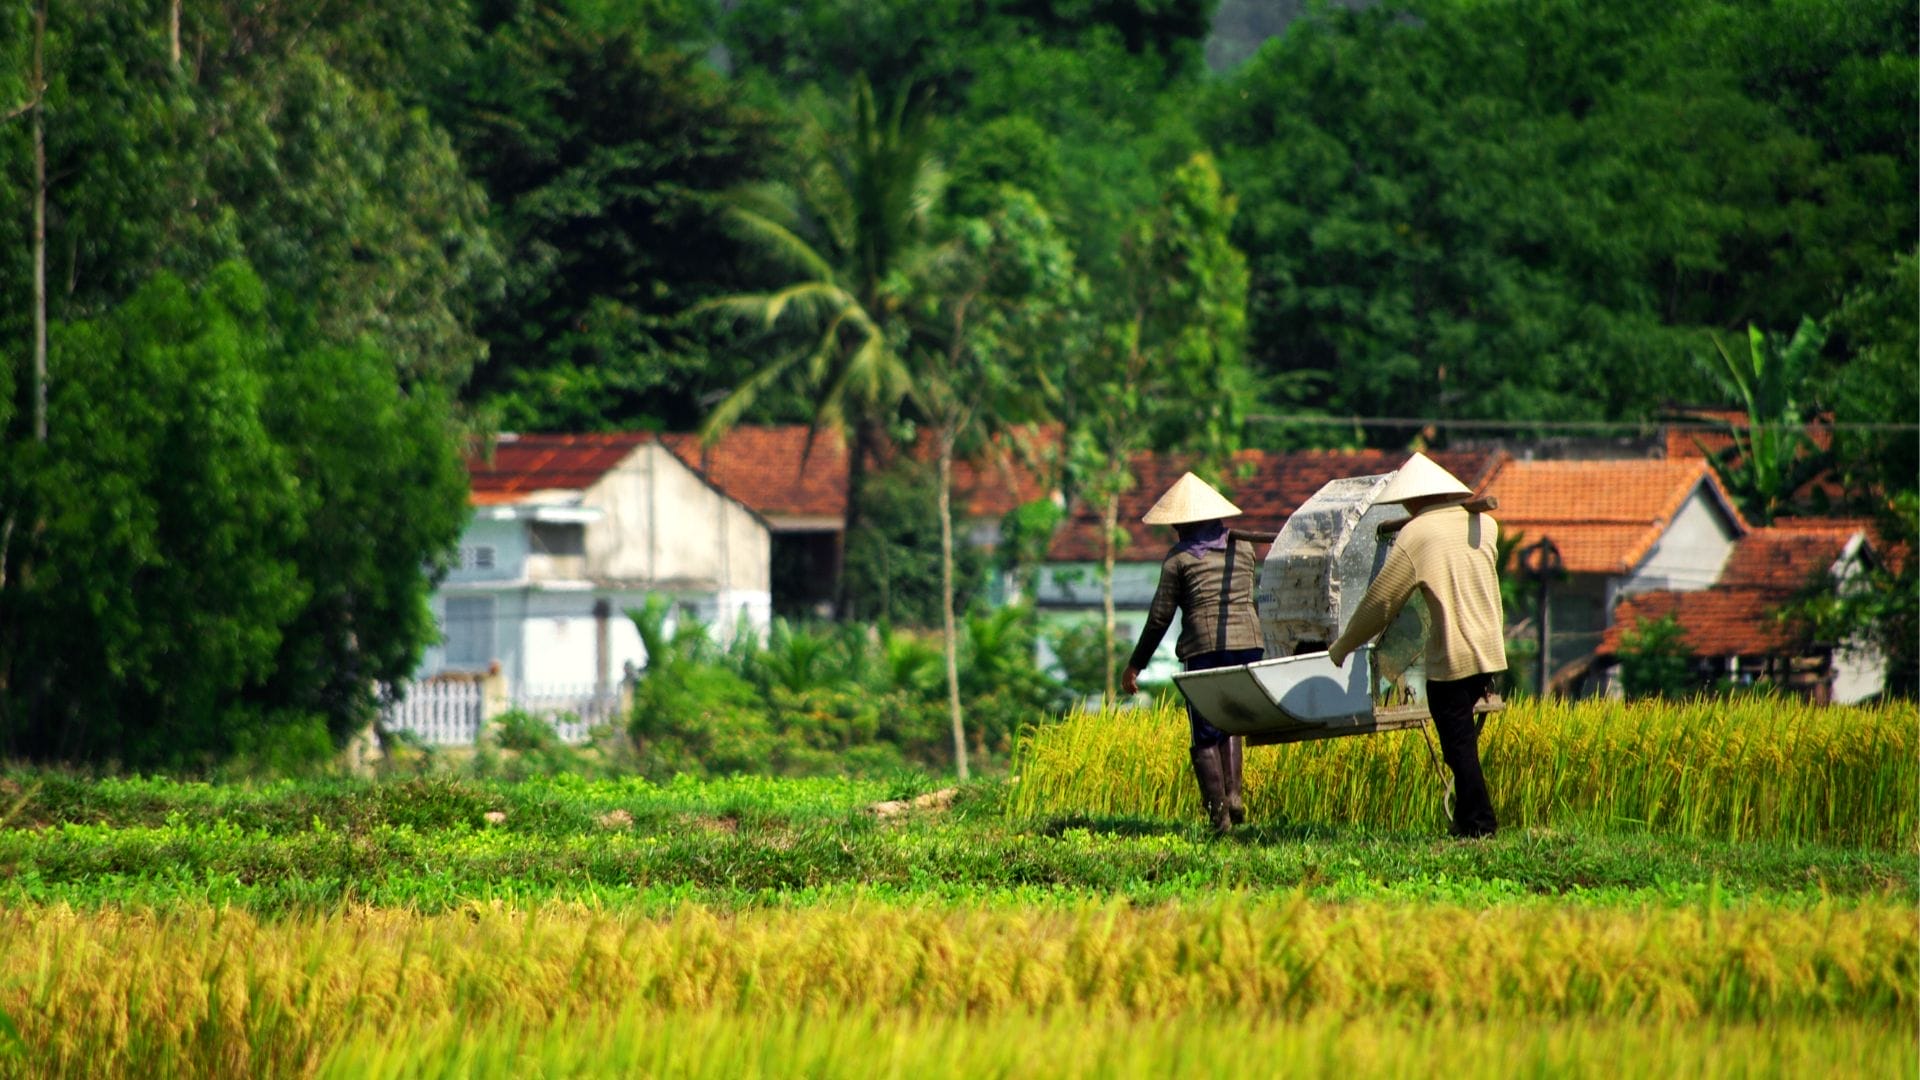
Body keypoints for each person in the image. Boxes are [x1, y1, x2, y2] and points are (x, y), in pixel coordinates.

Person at [1327, 452, 1507, 838]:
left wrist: (1344, 645)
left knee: (1458, 744)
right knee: (1460, 741)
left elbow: (1383, 601)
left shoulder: (1417, 534)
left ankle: (1480, 825)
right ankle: (1466, 822)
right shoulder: (1484, 525)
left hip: (1455, 653)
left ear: (1415, 500)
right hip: (1488, 649)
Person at [1119, 472, 1268, 833]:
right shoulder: (1244, 549)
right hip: (1249, 644)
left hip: (1205, 649)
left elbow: (1159, 617)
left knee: (1204, 735)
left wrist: (1135, 665)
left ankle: (1219, 819)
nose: (1175, 531)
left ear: (1185, 523)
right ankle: (1233, 796)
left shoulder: (1179, 561)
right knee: (1231, 721)